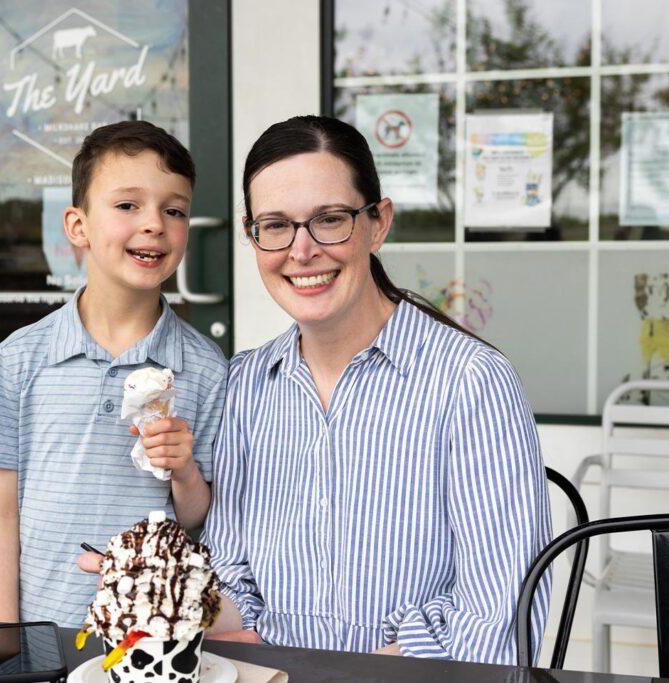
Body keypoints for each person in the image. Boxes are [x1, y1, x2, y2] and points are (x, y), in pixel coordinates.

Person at [203, 115, 552, 663]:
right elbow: (229, 575)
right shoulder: (246, 383)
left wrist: (343, 676)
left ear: (378, 224)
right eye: (275, 225)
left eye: (330, 219)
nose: (302, 250)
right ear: (253, 236)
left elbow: (497, 616)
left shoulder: (470, 382)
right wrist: (159, 595)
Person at [0, 121, 227, 627]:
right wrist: (4, 635)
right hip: (42, 629)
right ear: (77, 226)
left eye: (174, 210)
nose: (154, 223)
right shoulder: (22, 356)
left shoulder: (204, 368)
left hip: (149, 634)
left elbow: (198, 517)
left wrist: (183, 469)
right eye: (128, 205)